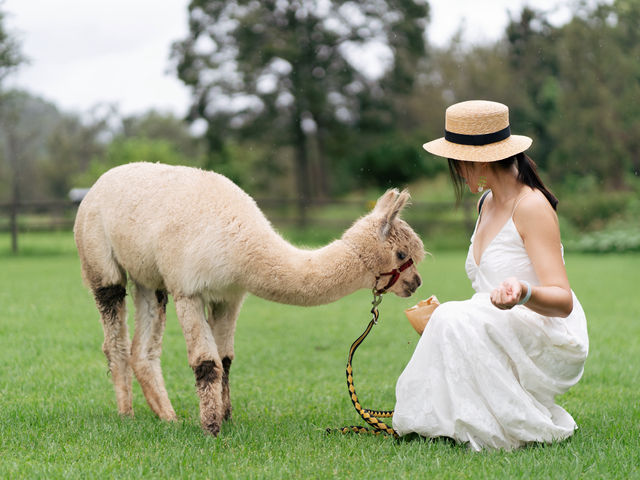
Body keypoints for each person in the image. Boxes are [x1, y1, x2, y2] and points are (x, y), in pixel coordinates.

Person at [393, 100, 589, 451]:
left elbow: (563, 301)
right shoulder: (485, 202)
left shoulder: (531, 206)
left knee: (452, 316)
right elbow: (487, 295)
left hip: (547, 330)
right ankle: (449, 421)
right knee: (448, 316)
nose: (456, 172)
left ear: (478, 160)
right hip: (503, 323)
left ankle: (497, 425)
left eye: (457, 163)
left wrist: (523, 291)